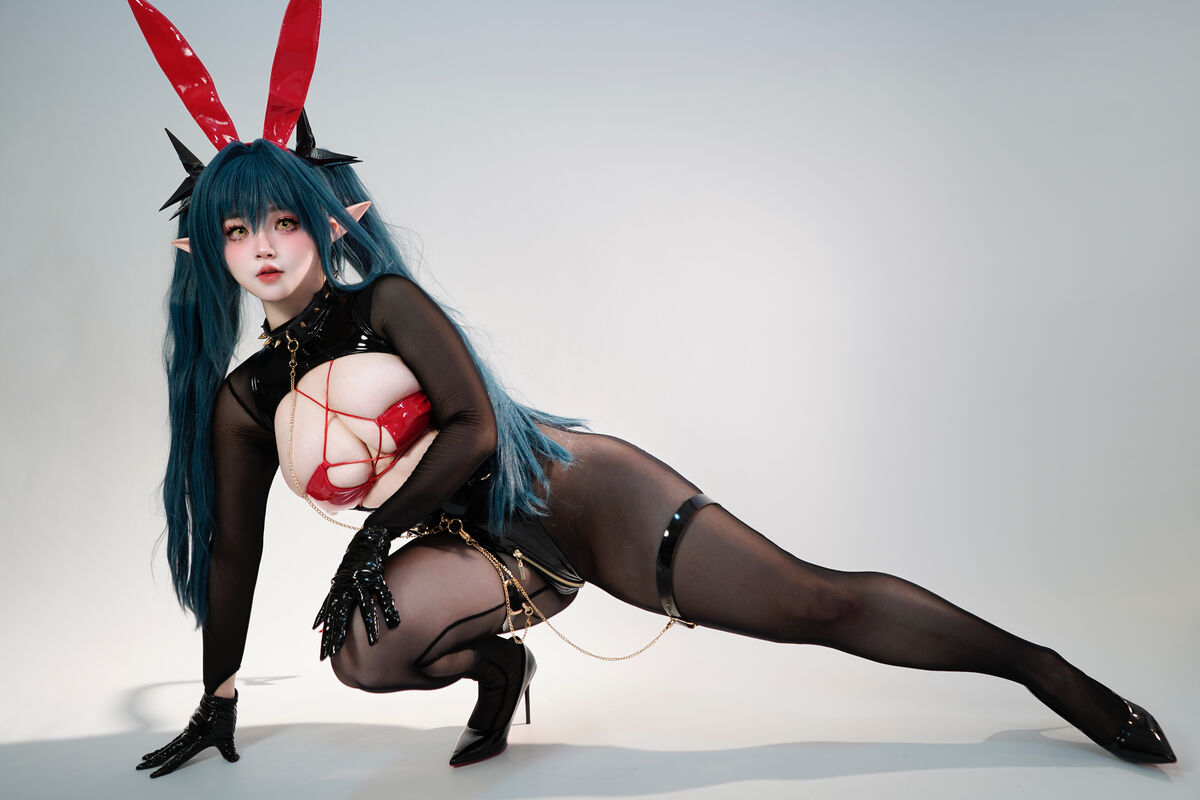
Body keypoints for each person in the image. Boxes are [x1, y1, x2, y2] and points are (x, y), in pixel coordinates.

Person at [129, 0, 1177, 779]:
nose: (265, 246)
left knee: (811, 601)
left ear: (324, 219)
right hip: (480, 551)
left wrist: (372, 535)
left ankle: (1040, 668)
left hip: (582, 498)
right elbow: (233, 550)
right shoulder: (246, 400)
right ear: (208, 245)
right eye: (238, 228)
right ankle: (498, 670)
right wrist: (219, 695)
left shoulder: (387, 304)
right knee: (362, 655)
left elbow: (475, 429)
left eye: (284, 220)